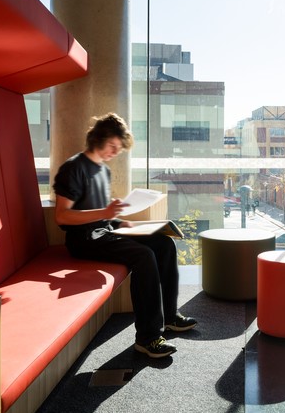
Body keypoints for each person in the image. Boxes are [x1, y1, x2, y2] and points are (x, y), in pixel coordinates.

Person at [53, 112, 197, 358]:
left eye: (118, 148)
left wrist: (119, 221)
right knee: (143, 255)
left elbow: (101, 212)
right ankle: (147, 338)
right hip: (84, 240)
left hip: (105, 232)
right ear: (98, 138)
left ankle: (170, 316)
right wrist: (105, 213)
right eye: (113, 146)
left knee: (164, 243)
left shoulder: (102, 170)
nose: (115, 152)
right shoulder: (73, 168)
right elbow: (62, 216)